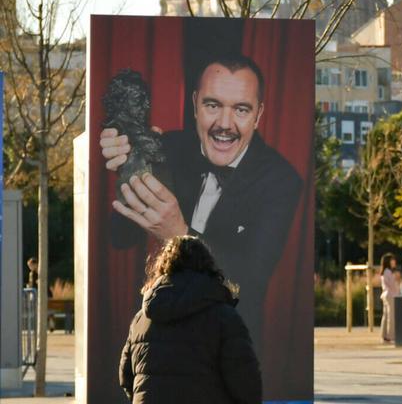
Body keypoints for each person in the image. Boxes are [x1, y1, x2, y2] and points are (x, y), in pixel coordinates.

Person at [101, 52, 302, 350]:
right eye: (212, 105)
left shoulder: (281, 180)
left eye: (241, 110)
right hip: (162, 338)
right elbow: (120, 236)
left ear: (259, 115)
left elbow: (249, 279)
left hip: (227, 344)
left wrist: (178, 234)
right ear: (195, 104)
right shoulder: (167, 148)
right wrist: (128, 162)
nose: (225, 124)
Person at [119, 234, 261, 403]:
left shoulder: (141, 319)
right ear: (208, 267)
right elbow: (246, 382)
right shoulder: (224, 317)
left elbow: (126, 378)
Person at [378, 253, 402, 343]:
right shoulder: (388, 272)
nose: (394, 262)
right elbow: (393, 285)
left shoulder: (384, 272)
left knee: (386, 316)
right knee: (391, 316)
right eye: (392, 260)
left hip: (386, 294)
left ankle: (384, 335)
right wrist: (397, 279)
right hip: (391, 295)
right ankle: (390, 336)